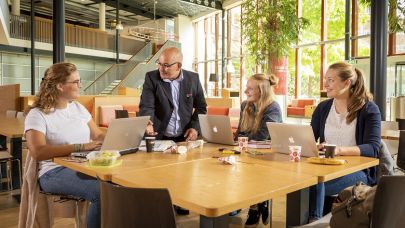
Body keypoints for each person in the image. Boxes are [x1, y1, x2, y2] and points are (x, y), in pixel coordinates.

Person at [24, 62, 105, 228]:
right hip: (52, 171)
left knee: (119, 185)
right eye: (75, 82)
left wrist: (127, 132)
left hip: (83, 164)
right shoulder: (37, 114)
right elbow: (38, 152)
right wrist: (80, 147)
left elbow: (98, 135)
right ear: (60, 86)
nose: (80, 85)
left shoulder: (78, 108)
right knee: (103, 193)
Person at [309, 62, 381, 221]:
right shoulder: (323, 108)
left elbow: (372, 148)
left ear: (346, 83)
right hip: (326, 166)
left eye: (330, 80)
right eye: (325, 79)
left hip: (357, 171)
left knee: (314, 183)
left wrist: (338, 150)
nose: (325, 84)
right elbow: (310, 138)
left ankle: (314, 222)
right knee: (303, 180)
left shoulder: (369, 109)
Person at [236, 73, 282, 227]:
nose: (245, 91)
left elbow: (262, 136)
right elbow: (240, 133)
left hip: (269, 155)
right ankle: (256, 202)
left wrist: (243, 139)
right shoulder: (245, 105)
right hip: (249, 150)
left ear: (261, 92)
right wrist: (238, 140)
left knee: (251, 170)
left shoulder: (273, 107)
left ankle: (255, 206)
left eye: (250, 89)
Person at [139, 47, 207, 142]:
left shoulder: (193, 79)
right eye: (160, 64)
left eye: (166, 65)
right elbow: (147, 106)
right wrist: (148, 122)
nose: (161, 69)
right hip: (159, 136)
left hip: (185, 137)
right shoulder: (151, 78)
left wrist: (195, 128)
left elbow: (201, 108)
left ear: (178, 66)